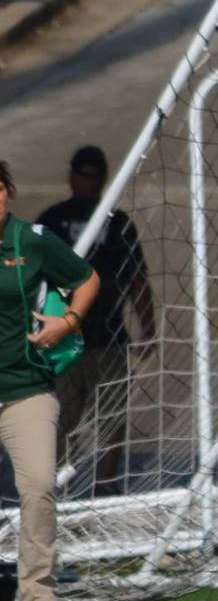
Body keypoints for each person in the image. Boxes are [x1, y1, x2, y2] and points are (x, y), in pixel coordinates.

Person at [0, 158, 100, 601]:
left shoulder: (33, 240)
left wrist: (69, 322)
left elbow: (87, 279)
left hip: (26, 388)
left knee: (39, 485)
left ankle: (37, 598)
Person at [37, 144, 156, 495]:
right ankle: (98, 480)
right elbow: (137, 283)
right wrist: (148, 329)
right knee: (90, 415)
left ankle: (78, 482)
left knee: (72, 415)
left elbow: (26, 278)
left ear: (72, 177)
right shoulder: (116, 223)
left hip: (81, 338)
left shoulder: (52, 220)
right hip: (84, 338)